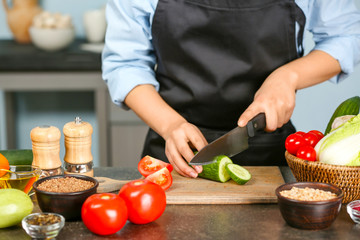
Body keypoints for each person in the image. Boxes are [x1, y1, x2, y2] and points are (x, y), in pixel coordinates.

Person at [102, 0, 360, 178]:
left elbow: (346, 38)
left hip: (268, 145)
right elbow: (126, 64)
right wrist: (170, 126)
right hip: (174, 151)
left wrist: (288, 77)